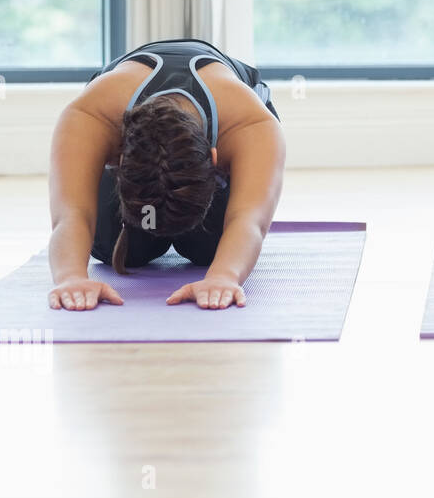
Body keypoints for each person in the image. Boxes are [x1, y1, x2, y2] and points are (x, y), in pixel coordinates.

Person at [47, 38, 285, 311]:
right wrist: (70, 278)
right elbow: (72, 214)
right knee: (125, 251)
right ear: (119, 161)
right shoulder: (92, 113)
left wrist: (224, 277)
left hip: (204, 188)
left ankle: (189, 224)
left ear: (214, 158)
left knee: (207, 250)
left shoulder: (251, 123)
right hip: (139, 190)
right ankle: (147, 225)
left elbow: (249, 220)